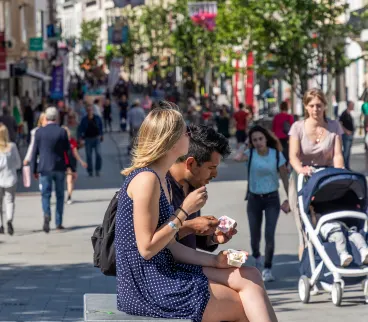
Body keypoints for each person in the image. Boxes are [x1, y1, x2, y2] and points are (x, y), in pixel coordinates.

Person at [116, 103, 278, 322]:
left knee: (251, 276)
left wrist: (215, 261)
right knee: (244, 306)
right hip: (149, 286)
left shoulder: (159, 178)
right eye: (185, 132)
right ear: (170, 140)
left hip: (164, 272)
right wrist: (184, 212)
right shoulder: (147, 179)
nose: (189, 136)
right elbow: (146, 249)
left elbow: (170, 245)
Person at [289, 88, 344, 260]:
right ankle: (306, 267)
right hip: (303, 177)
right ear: (306, 106)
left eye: (319, 105)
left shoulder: (334, 126)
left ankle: (332, 258)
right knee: (304, 229)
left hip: (325, 177)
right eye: (311, 105)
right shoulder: (298, 127)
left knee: (328, 220)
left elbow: (337, 155)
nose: (315, 109)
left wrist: (339, 174)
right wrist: (301, 170)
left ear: (325, 106)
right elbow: (293, 156)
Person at [235, 125, 289, 282]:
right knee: (255, 236)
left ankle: (267, 268)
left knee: (269, 234)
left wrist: (288, 199)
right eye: (254, 140)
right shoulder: (250, 153)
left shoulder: (277, 155)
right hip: (254, 199)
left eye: (260, 139)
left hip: (272, 198)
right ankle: (257, 257)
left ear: (266, 139)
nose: (258, 142)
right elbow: (236, 158)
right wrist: (245, 144)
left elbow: (285, 178)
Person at [169, 124, 234, 252]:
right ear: (191, 163)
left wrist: (212, 237)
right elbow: (149, 244)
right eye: (211, 167)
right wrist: (189, 226)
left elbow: (187, 238)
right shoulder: (158, 185)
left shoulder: (193, 185)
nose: (215, 174)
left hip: (187, 266)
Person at [31, 107, 73, 232]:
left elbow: (35, 152)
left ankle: (46, 214)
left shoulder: (39, 132)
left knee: (45, 194)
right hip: (59, 167)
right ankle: (58, 222)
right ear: (57, 118)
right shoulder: (61, 131)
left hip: (44, 167)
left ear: (46, 118)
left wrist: (34, 169)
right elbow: (67, 150)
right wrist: (71, 166)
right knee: (60, 195)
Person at [0, 124, 21, 235]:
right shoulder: (12, 146)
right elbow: (18, 163)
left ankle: (0, 225)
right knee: (10, 201)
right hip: (10, 178)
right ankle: (9, 221)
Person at [63, 126, 87, 204]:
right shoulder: (61, 141)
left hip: (73, 163)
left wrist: (81, 161)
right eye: (66, 132)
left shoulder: (72, 141)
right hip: (65, 163)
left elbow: (75, 152)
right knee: (69, 179)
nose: (68, 133)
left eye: (68, 131)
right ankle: (69, 197)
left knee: (72, 180)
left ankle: (69, 194)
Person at [78, 105, 103, 177]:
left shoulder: (97, 118)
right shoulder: (84, 119)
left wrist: (101, 135)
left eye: (91, 110)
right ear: (86, 111)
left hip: (96, 138)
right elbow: (81, 129)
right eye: (88, 110)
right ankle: (90, 170)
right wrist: (80, 138)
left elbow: (100, 126)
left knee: (98, 154)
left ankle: (97, 170)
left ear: (93, 110)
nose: (90, 111)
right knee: (89, 155)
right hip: (88, 139)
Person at [339, 101, 355, 170]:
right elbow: (340, 123)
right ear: (349, 105)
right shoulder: (344, 113)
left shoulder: (350, 113)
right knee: (346, 152)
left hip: (350, 135)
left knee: (348, 153)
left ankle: (347, 166)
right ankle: (344, 166)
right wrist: (346, 131)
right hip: (346, 136)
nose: (353, 106)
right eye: (352, 105)